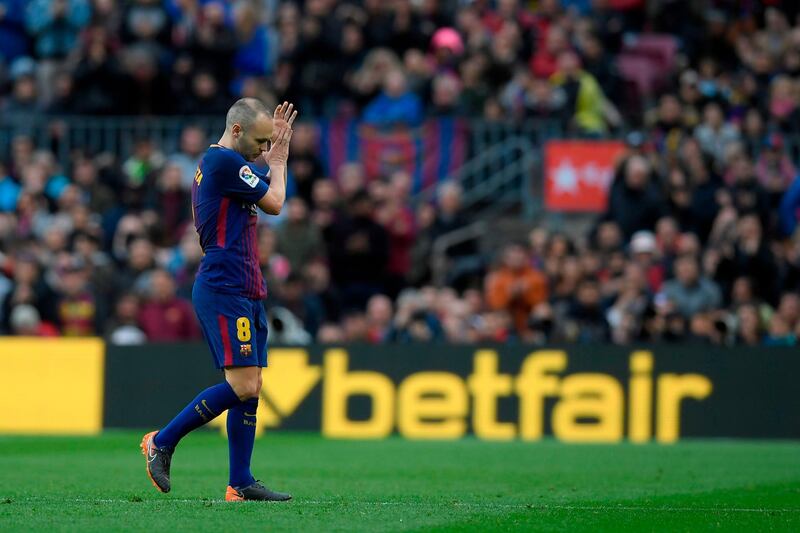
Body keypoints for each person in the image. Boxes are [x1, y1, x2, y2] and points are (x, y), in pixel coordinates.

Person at [140, 98, 297, 502]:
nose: (265, 148)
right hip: (223, 285)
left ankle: (240, 482)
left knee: (252, 384)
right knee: (242, 383)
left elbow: (260, 186)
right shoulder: (222, 163)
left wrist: (272, 159)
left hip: (245, 285)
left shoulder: (230, 167)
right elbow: (276, 202)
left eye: (270, 143)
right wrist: (279, 160)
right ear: (238, 130)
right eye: (261, 141)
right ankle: (163, 439)